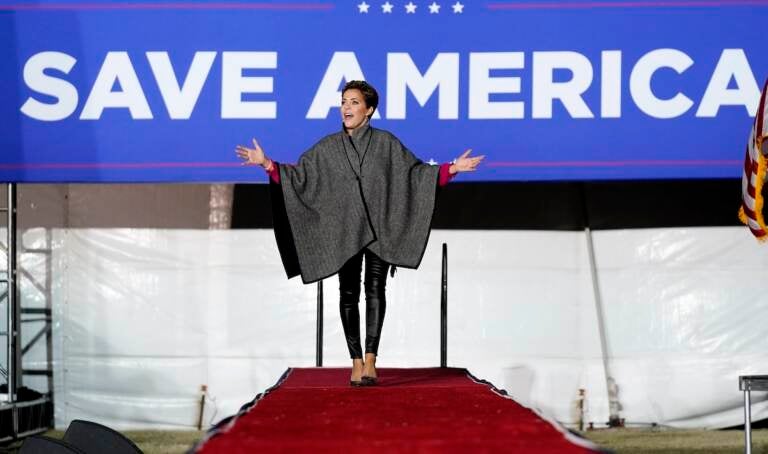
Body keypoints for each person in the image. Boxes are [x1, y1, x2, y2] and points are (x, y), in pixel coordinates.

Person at [236, 80, 483, 386]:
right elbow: (299, 177)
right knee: (348, 293)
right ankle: (354, 360)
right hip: (345, 230)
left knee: (375, 289)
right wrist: (268, 165)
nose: (347, 108)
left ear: (369, 110)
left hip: (380, 227)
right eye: (344, 102)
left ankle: (370, 360)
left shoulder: (386, 143)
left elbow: (415, 176)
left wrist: (452, 169)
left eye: (354, 102)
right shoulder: (328, 148)